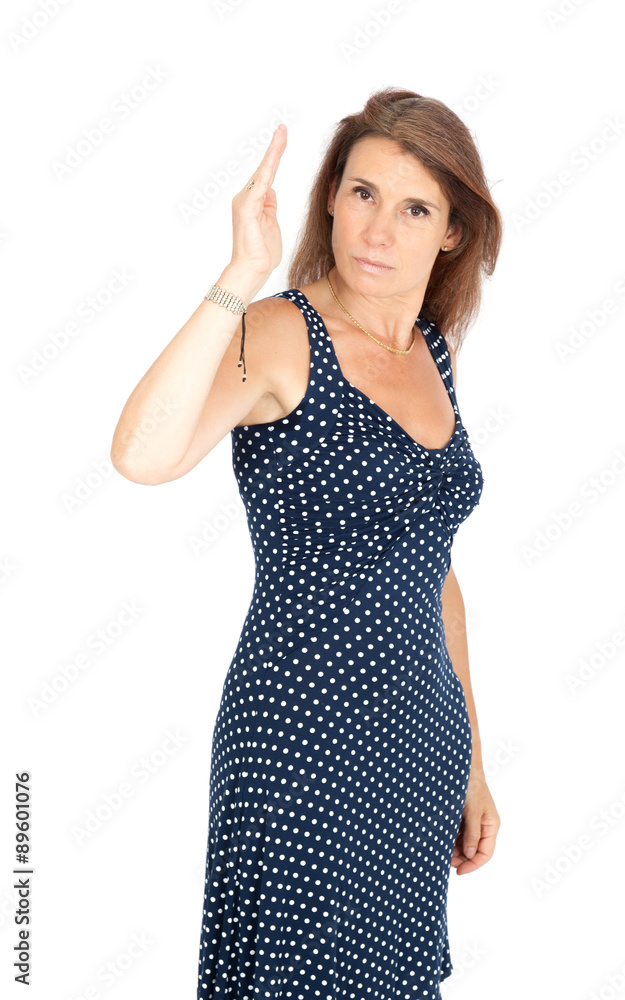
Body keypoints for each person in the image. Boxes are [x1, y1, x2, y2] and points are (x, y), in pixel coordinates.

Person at [111, 87, 502, 1000]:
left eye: (413, 209)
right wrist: (239, 274)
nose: (378, 230)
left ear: (452, 232)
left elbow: (434, 572)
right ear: (329, 197)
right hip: (303, 739)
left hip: (418, 746)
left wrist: (473, 764)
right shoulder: (281, 333)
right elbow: (141, 455)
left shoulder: (431, 352)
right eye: (362, 193)